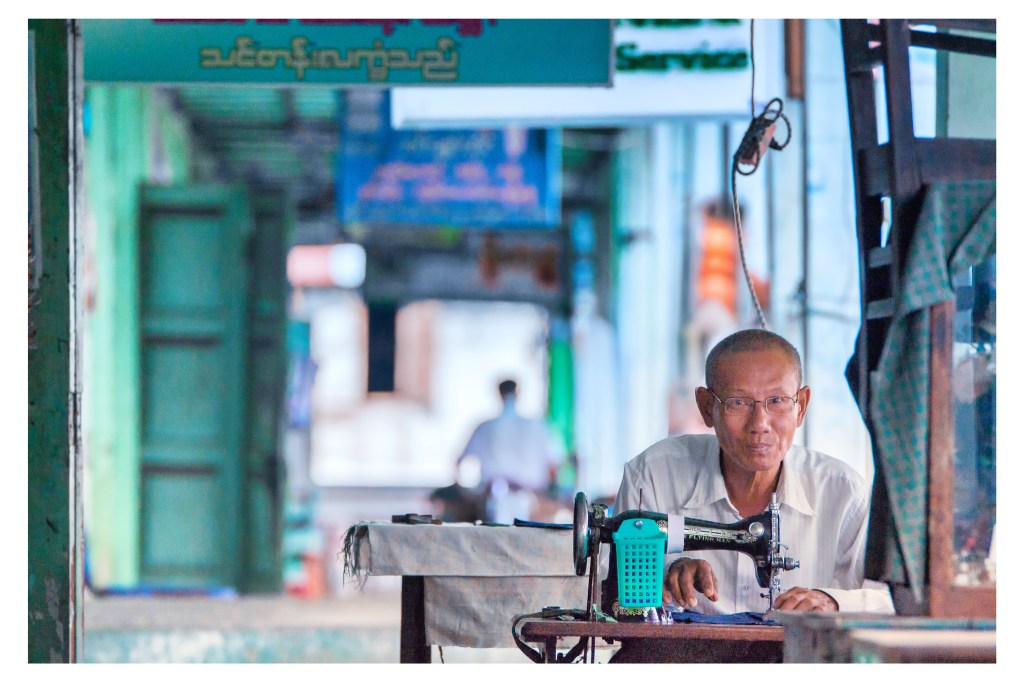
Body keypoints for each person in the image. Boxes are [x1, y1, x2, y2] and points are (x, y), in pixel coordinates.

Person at [614, 329, 894, 614]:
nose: (759, 423)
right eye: (738, 402)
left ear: (801, 407)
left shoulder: (844, 494)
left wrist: (831, 601)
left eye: (777, 401)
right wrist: (663, 577)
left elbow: (889, 601)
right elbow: (608, 593)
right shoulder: (652, 476)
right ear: (707, 407)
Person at [458, 379, 564, 523]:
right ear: (518, 394)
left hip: (496, 498)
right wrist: (548, 496)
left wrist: (470, 495)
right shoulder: (538, 426)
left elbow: (459, 462)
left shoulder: (485, 427)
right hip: (528, 499)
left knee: (494, 535)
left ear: (499, 394)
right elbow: (554, 466)